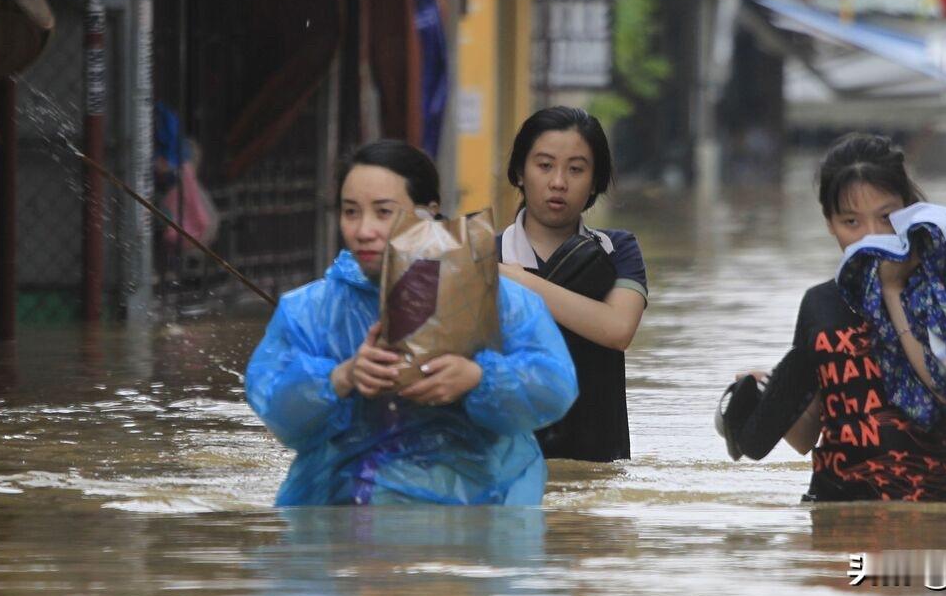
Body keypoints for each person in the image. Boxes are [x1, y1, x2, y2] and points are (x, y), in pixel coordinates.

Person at [245, 140, 577, 506]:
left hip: (478, 523)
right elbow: (274, 407)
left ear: (428, 214)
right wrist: (342, 377)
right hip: (343, 514)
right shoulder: (309, 311)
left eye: (384, 212)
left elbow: (555, 388)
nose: (363, 230)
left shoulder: (501, 302)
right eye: (350, 212)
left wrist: (479, 378)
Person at [723, 132, 946, 502]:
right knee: (859, 566)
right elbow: (806, 437)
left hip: (929, 511)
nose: (870, 235)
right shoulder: (820, 304)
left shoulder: (942, 294)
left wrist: (892, 292)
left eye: (885, 217)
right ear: (829, 223)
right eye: (851, 222)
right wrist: (769, 390)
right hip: (837, 516)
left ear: (910, 209)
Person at [496, 107, 648, 462]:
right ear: (520, 172)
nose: (558, 182)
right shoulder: (483, 255)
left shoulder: (617, 250)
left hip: (599, 470)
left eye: (576, 169)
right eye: (544, 166)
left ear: (595, 181)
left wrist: (521, 281)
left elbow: (617, 328)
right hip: (509, 470)